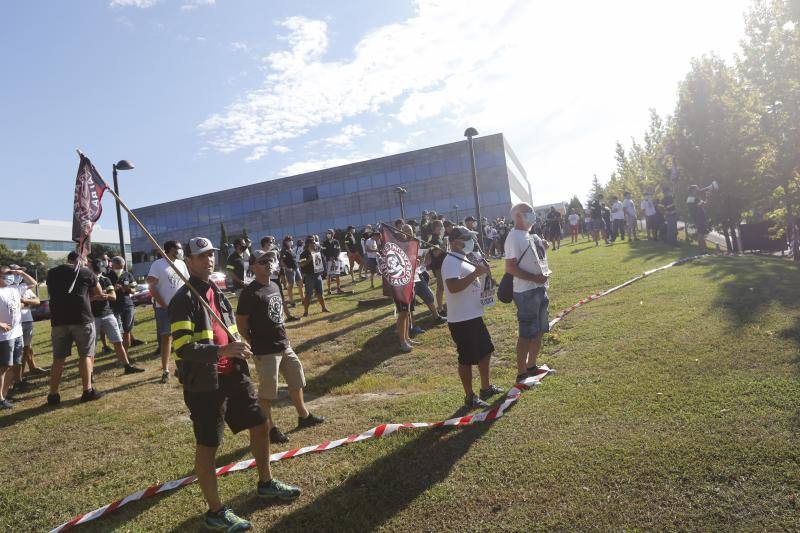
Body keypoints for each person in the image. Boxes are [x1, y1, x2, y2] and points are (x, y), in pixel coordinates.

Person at [169, 237, 300, 530]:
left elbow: (228, 328)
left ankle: (266, 483)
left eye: (211, 255)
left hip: (234, 375)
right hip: (205, 383)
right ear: (188, 262)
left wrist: (237, 343)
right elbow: (183, 348)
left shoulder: (216, 290)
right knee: (209, 444)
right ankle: (215, 512)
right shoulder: (182, 300)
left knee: (260, 424)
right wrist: (221, 351)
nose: (208, 260)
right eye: (201, 256)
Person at [237, 250, 324, 444]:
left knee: (296, 381)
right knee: (268, 393)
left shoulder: (275, 285)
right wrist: (250, 339)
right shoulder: (249, 293)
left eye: (269, 260)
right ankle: (270, 429)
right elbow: (241, 321)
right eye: (262, 262)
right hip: (265, 351)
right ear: (253, 267)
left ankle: (304, 416)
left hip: (284, 345)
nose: (268, 264)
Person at [442, 226, 503, 409]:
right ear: (454, 242)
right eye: (466, 238)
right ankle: (470, 396)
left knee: (486, 351)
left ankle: (485, 388)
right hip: (461, 319)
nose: (470, 240)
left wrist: (486, 277)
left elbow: (475, 280)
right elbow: (453, 287)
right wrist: (476, 273)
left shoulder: (464, 258)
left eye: (470, 237)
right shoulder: (450, 261)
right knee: (467, 358)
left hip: (474, 314)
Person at [46, 252, 105, 405]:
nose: (87, 263)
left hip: (59, 321)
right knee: (85, 355)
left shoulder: (52, 273)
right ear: (81, 260)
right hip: (82, 319)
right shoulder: (86, 272)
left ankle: (53, 394)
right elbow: (98, 292)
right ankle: (87, 391)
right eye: (85, 261)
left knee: (58, 359)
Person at [504, 203, 552, 383]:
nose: (533, 215)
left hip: (539, 288)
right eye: (528, 212)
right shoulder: (513, 237)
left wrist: (542, 247)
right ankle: (521, 372)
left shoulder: (529, 235)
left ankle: (531, 365)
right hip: (525, 292)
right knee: (526, 333)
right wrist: (534, 278)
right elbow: (510, 268)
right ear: (518, 216)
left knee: (539, 330)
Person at [89, 259, 144, 375]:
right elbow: (83, 299)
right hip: (95, 316)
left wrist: (106, 295)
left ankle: (127, 365)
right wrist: (94, 298)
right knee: (92, 346)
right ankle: (89, 373)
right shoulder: (87, 280)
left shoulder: (106, 279)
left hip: (109, 313)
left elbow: (113, 296)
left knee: (119, 339)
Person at [147, 240, 189, 383]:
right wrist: (164, 305)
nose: (181, 250)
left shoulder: (181, 264)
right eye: (179, 248)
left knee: (184, 336)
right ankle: (165, 370)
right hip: (164, 309)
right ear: (170, 249)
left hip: (182, 307)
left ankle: (183, 366)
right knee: (167, 338)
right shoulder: (158, 265)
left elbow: (186, 283)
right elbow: (151, 287)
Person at [14, 265, 46, 382]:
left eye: (21, 273)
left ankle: (32, 368)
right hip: (16, 323)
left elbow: (37, 300)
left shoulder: (24, 287)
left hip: (27, 321)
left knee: (28, 348)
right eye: (17, 273)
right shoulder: (7, 288)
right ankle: (19, 379)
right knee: (20, 351)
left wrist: (24, 301)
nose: (19, 275)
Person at [0, 267, 26, 408]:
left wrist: (21, 273)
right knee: (4, 367)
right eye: (8, 274)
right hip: (4, 337)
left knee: (13, 366)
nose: (11, 276)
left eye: (12, 273)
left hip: (17, 333)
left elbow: (33, 282)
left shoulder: (14, 288)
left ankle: (4, 395)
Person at [108, 256, 138, 351]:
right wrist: (113, 288)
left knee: (127, 330)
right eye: (119, 267)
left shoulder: (127, 275)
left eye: (122, 267)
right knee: (117, 332)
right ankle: (120, 354)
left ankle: (126, 354)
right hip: (114, 306)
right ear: (113, 265)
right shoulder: (107, 275)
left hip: (128, 305)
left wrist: (128, 289)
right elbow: (103, 291)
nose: (121, 269)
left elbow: (134, 290)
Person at [298, 238, 330, 316]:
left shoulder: (317, 252)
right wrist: (309, 259)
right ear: (309, 244)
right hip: (309, 276)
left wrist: (323, 270)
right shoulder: (303, 254)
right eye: (313, 243)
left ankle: (323, 308)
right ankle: (306, 312)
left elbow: (322, 261)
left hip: (318, 275)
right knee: (308, 294)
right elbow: (301, 264)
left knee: (320, 293)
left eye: (315, 243)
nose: (314, 244)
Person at [280, 236, 304, 307]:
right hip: (290, 270)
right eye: (289, 240)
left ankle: (303, 299)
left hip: (296, 268)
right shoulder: (284, 250)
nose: (291, 241)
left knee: (300, 283)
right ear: (285, 242)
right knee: (291, 285)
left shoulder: (291, 249)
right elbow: (281, 261)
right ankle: (291, 301)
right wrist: (287, 268)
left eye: (291, 240)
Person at [322, 229, 344, 295]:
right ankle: (329, 290)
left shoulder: (336, 241)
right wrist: (330, 258)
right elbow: (324, 252)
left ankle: (338, 288)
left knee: (337, 275)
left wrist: (335, 257)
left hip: (336, 260)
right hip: (328, 260)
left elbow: (338, 250)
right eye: (328, 233)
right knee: (329, 275)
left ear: (333, 234)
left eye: (330, 233)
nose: (328, 234)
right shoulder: (324, 242)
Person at [686, 185, 708, 252]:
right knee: (701, 233)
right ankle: (703, 250)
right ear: (693, 190)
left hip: (695, 217)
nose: (698, 190)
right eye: (696, 189)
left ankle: (703, 249)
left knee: (700, 233)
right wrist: (707, 197)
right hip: (699, 217)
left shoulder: (689, 198)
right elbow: (703, 204)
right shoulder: (695, 198)